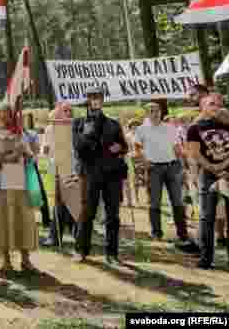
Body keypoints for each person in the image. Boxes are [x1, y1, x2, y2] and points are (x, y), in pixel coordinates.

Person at [73, 84, 128, 265]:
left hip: (112, 173)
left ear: (102, 100)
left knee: (113, 214)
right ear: (87, 101)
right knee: (87, 212)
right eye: (92, 97)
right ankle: (81, 250)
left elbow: (124, 145)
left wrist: (120, 147)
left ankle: (112, 253)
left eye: (99, 97)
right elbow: (79, 149)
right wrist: (91, 129)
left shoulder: (113, 123)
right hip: (90, 173)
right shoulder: (79, 123)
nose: (96, 100)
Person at [0, 102, 38, 274]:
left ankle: (26, 260)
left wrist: (27, 154)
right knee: (2, 223)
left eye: (8, 113)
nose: (5, 116)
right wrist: (11, 156)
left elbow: (30, 158)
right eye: (2, 113)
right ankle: (6, 261)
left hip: (20, 184)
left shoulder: (20, 134)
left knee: (24, 221)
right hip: (0, 186)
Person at [134, 102, 195, 249]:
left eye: (156, 110)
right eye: (151, 111)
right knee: (155, 201)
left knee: (177, 201)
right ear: (147, 113)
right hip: (154, 168)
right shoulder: (141, 129)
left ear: (161, 112)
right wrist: (144, 161)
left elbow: (176, 147)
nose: (154, 113)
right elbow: (136, 147)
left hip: (172, 166)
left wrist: (184, 165)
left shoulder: (170, 128)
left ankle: (182, 234)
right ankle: (156, 233)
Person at [185, 93, 229, 269]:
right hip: (208, 174)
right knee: (206, 217)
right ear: (203, 106)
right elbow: (195, 153)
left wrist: (224, 166)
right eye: (211, 103)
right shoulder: (194, 128)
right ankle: (206, 258)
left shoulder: (228, 123)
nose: (216, 106)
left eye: (219, 103)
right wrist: (212, 168)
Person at [42, 102, 80, 248]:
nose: (69, 113)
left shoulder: (76, 127)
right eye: (65, 110)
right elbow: (45, 150)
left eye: (70, 110)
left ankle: (78, 234)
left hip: (74, 169)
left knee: (74, 202)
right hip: (58, 168)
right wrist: (47, 153)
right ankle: (55, 236)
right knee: (60, 203)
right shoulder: (50, 129)